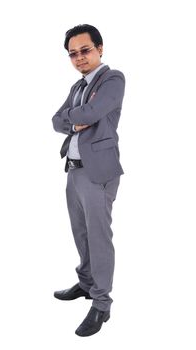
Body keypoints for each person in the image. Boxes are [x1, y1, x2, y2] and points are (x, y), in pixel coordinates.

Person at [52, 24, 125, 337]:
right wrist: (75, 118)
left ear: (100, 48)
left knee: (98, 237)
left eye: (85, 50)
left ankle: (101, 303)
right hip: (74, 168)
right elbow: (56, 120)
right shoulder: (77, 86)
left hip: (98, 172)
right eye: (73, 54)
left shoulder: (113, 79)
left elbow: (93, 112)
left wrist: (79, 115)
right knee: (81, 233)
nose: (79, 58)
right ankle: (86, 282)